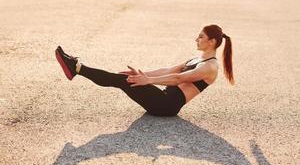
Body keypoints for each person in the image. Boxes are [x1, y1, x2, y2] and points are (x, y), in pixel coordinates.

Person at [55, 24, 234, 117]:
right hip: (162, 99)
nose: (197, 39)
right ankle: (76, 68)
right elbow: (169, 69)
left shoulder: (210, 67)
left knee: (122, 81)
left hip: (166, 107)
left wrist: (147, 81)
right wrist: (143, 75)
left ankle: (77, 68)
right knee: (125, 79)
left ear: (211, 42)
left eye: (201, 36)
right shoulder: (197, 59)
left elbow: (177, 78)